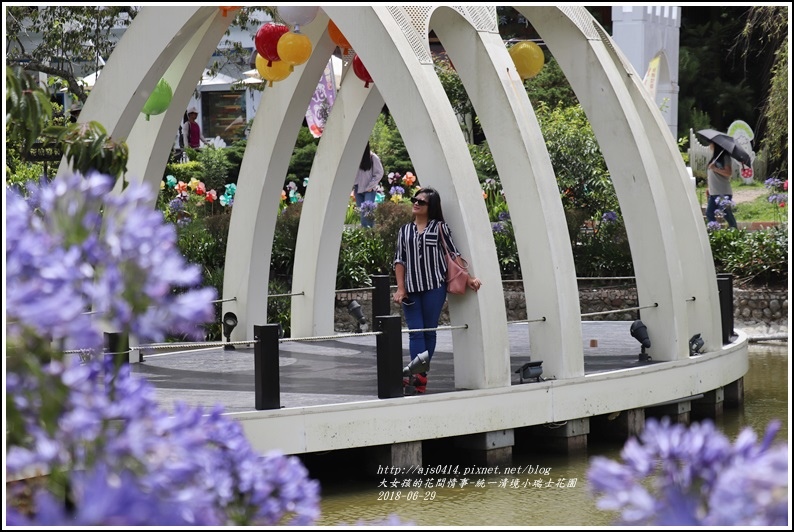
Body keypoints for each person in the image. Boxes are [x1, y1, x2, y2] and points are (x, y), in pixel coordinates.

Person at [392, 187, 482, 394]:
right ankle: (419, 376)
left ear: (430, 207)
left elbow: (453, 253)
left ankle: (418, 376)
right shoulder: (404, 230)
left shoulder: (439, 227)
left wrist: (468, 279)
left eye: (421, 202)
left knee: (428, 330)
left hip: (435, 287)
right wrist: (400, 288)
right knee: (416, 332)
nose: (416, 203)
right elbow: (399, 260)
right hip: (411, 290)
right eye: (414, 199)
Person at [705, 142, 737, 229]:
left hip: (723, 192)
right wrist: (709, 188)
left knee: (725, 213)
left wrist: (715, 168)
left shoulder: (725, 157)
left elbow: (728, 172)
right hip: (713, 192)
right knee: (709, 213)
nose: (710, 146)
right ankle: (714, 230)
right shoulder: (714, 158)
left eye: (711, 144)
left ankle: (734, 229)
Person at [352, 142, 383, 228]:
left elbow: (379, 173)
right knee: (362, 213)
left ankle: (370, 235)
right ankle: (365, 235)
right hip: (358, 189)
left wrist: (371, 186)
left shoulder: (373, 157)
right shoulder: (356, 158)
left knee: (368, 213)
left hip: (369, 190)